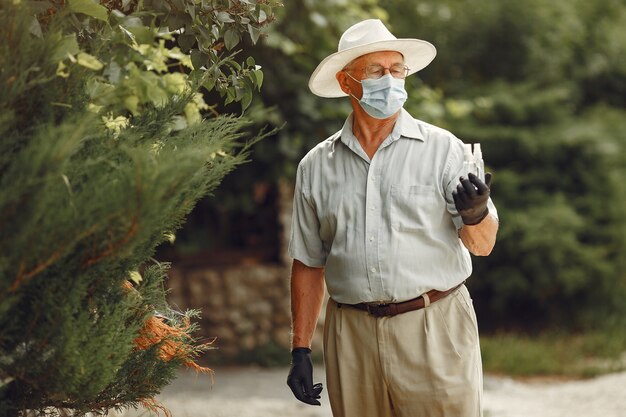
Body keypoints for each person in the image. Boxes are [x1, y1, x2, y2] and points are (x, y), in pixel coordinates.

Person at [286, 19, 498, 417]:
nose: (391, 80)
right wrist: (300, 348)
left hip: (432, 326)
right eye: (376, 71)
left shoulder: (444, 150)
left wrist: (476, 214)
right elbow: (308, 262)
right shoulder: (315, 166)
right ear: (347, 83)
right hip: (351, 335)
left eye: (397, 70)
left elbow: (482, 244)